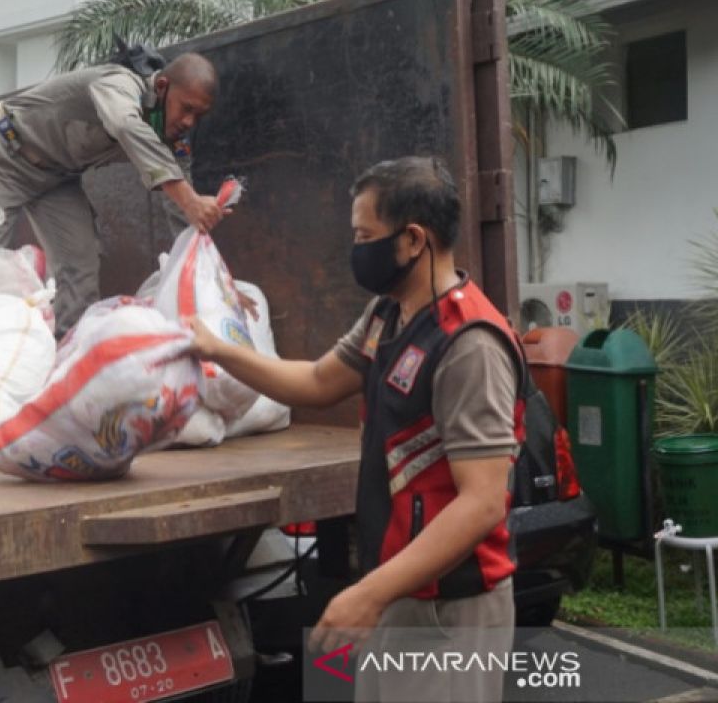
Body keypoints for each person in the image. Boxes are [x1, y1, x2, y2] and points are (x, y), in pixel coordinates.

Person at [190, 156, 521, 702]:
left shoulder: (470, 345)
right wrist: (217, 349)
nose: (357, 250)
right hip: (399, 589)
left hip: (449, 611)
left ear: (413, 239)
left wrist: (368, 594)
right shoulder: (387, 316)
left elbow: (482, 502)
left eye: (366, 236)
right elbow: (317, 381)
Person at [0, 53, 226, 336]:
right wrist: (189, 199)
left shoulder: (174, 136)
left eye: (199, 115)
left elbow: (183, 208)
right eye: (186, 108)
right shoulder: (119, 84)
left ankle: (67, 350)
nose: (189, 122)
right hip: (3, 155)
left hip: (56, 177)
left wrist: (214, 284)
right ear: (162, 87)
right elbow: (125, 125)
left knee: (81, 265)